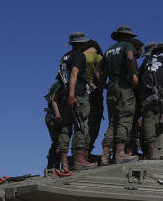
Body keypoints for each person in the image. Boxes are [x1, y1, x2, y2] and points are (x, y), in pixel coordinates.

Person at [55, 32, 96, 170]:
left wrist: (67, 96)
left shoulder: (64, 57)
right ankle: (79, 161)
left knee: (66, 129)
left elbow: (60, 78)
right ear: (80, 43)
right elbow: (74, 73)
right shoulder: (78, 55)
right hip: (76, 95)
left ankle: (64, 164)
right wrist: (72, 95)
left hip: (64, 98)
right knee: (81, 127)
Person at [99, 26, 140, 164]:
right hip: (123, 86)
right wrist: (132, 75)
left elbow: (98, 70)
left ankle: (105, 155)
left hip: (111, 87)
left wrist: (103, 84)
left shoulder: (109, 50)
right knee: (125, 117)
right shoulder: (127, 45)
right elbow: (129, 58)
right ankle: (120, 153)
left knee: (112, 122)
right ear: (127, 36)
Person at [137, 42, 163, 160]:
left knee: (148, 118)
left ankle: (151, 150)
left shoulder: (146, 59)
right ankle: (156, 150)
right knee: (158, 119)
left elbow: (139, 77)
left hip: (145, 92)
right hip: (162, 92)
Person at [83, 41, 104, 155]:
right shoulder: (97, 57)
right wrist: (102, 85)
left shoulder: (76, 57)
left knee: (79, 124)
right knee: (94, 122)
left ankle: (79, 153)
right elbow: (101, 72)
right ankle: (87, 150)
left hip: (78, 93)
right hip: (94, 92)